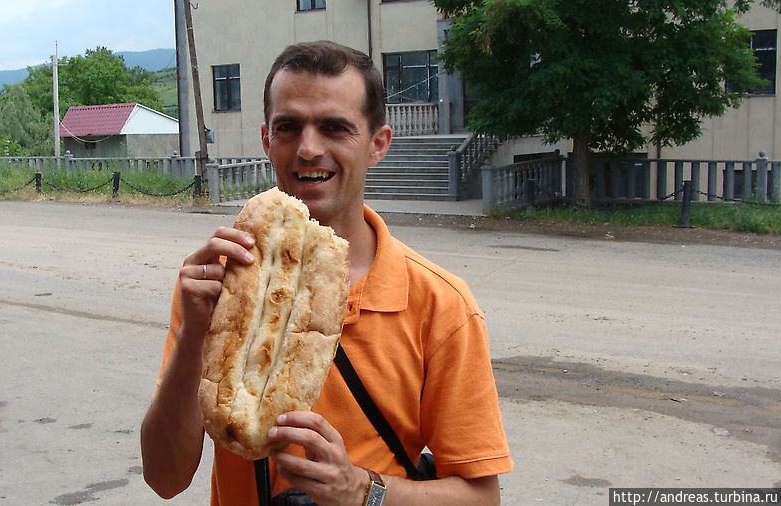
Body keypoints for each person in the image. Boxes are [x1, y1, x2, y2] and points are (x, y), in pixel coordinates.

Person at [141, 40, 512, 506]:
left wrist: (362, 491)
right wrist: (197, 330)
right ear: (266, 141)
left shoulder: (440, 305)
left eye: (336, 128)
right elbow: (164, 477)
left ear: (378, 143)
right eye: (289, 127)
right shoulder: (217, 284)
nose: (309, 148)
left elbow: (481, 498)